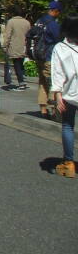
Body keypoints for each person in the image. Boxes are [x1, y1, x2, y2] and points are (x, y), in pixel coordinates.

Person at [50, 14, 78, 178]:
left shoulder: (61, 47)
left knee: (68, 126)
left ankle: (68, 164)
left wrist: (57, 94)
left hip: (70, 93)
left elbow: (57, 73)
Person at [34, 1, 63, 118]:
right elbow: (59, 40)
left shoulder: (39, 22)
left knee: (42, 82)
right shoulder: (53, 24)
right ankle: (54, 110)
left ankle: (43, 109)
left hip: (38, 56)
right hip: (49, 57)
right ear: (56, 11)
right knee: (53, 83)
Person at [1, 7, 30, 91]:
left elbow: (7, 35)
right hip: (24, 46)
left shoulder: (11, 22)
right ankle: (23, 79)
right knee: (21, 64)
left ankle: (21, 82)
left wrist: (4, 46)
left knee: (17, 64)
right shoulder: (27, 22)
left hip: (14, 46)